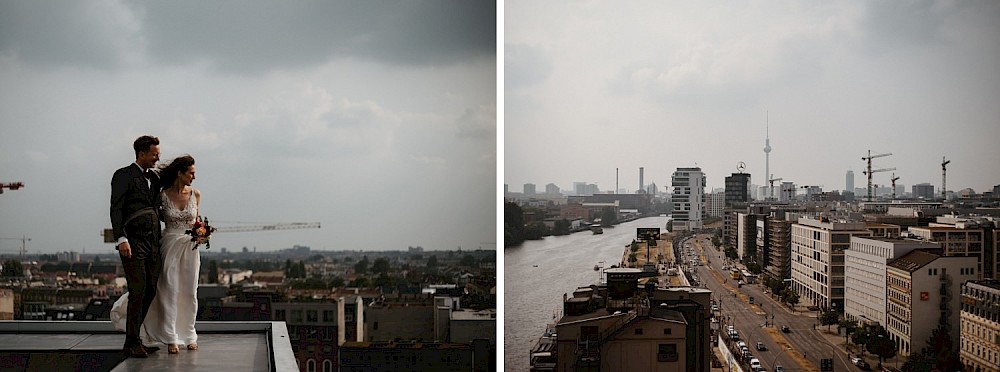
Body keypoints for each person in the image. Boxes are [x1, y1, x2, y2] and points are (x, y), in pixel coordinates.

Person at [111, 155, 203, 354]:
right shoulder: (161, 195)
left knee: (189, 292)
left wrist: (201, 233)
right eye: (191, 173)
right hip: (168, 245)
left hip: (190, 249)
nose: (194, 177)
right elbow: (147, 214)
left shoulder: (196, 194)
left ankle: (189, 334)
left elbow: (197, 222)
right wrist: (124, 235)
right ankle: (170, 337)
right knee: (169, 290)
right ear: (180, 173)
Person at [110, 135, 163, 358]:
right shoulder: (123, 175)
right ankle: (131, 342)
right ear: (141, 154)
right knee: (138, 290)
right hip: (133, 243)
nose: (157, 158)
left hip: (153, 243)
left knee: (151, 289)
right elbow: (116, 209)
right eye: (154, 154)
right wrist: (121, 239)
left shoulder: (155, 178)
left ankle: (136, 339)